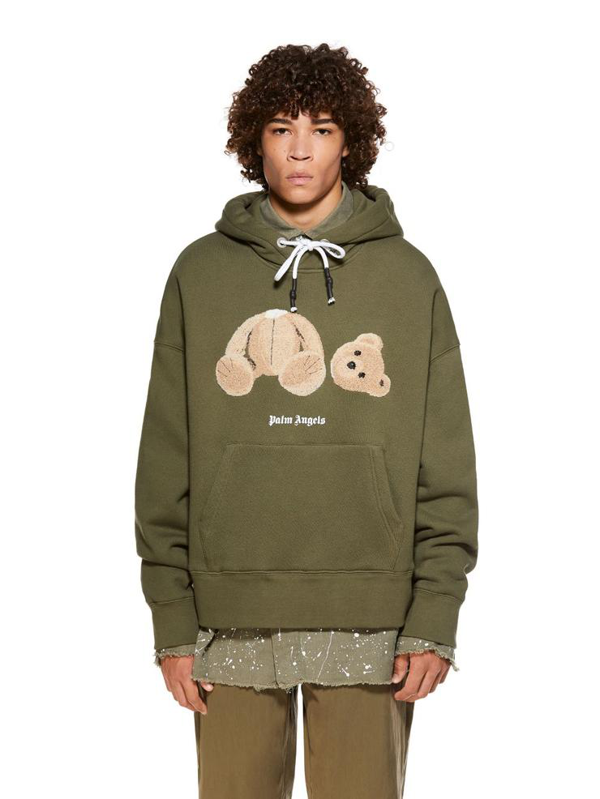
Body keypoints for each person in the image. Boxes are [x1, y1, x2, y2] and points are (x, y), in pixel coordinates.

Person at [134, 42, 479, 799]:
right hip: (228, 613)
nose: (299, 149)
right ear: (253, 140)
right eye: (281, 128)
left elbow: (446, 462)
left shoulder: (408, 277)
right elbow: (165, 454)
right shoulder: (200, 273)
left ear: (349, 140)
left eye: (321, 129)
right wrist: (171, 615)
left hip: (372, 615)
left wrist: (434, 611)